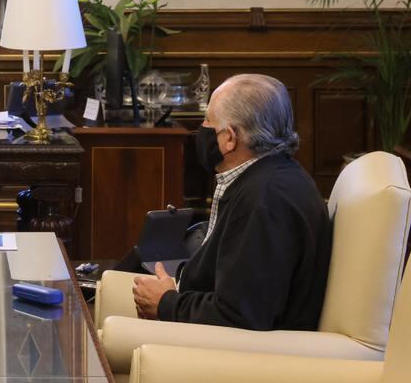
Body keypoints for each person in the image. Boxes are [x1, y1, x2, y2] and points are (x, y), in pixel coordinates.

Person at [132, 74, 332, 330]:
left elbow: (239, 315)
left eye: (207, 120)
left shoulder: (264, 200)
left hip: (237, 354)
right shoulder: (270, 178)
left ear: (229, 138)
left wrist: (166, 303)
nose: (201, 129)